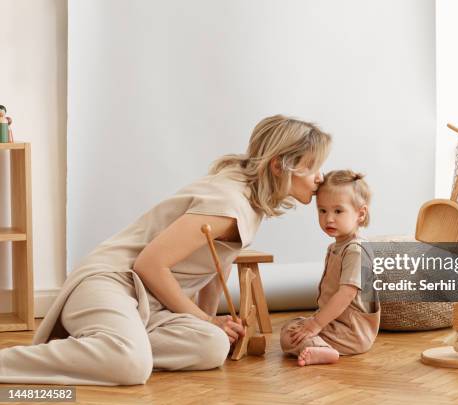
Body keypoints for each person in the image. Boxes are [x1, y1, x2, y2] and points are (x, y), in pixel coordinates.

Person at [0, 114, 331, 385]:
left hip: (151, 304)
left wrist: (211, 322)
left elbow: (219, 263)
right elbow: (150, 264)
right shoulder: (227, 202)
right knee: (131, 365)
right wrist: (203, 317)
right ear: (280, 166)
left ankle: (103, 345)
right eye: (314, 166)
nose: (320, 177)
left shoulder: (250, 199)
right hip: (112, 282)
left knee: (211, 346)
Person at [280, 170, 380, 366]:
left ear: (360, 213)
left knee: (292, 335)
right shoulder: (336, 247)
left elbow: (347, 294)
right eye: (322, 211)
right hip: (336, 324)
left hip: (352, 332)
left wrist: (316, 324)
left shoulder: (356, 250)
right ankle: (317, 346)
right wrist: (312, 322)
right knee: (290, 329)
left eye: (338, 211)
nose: (329, 219)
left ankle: (323, 350)